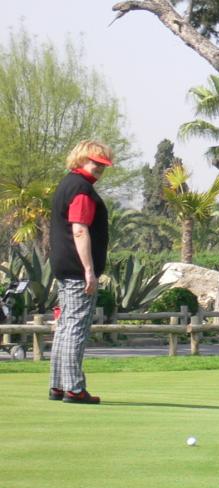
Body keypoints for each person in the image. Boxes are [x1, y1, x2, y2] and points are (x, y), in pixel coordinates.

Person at [48, 140, 114, 404]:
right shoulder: (82, 189)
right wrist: (89, 270)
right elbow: (79, 229)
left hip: (64, 265)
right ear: (81, 159)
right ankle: (74, 388)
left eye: (103, 165)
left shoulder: (67, 183)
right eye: (95, 162)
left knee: (65, 327)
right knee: (75, 328)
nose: (99, 168)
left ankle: (58, 385)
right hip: (77, 268)